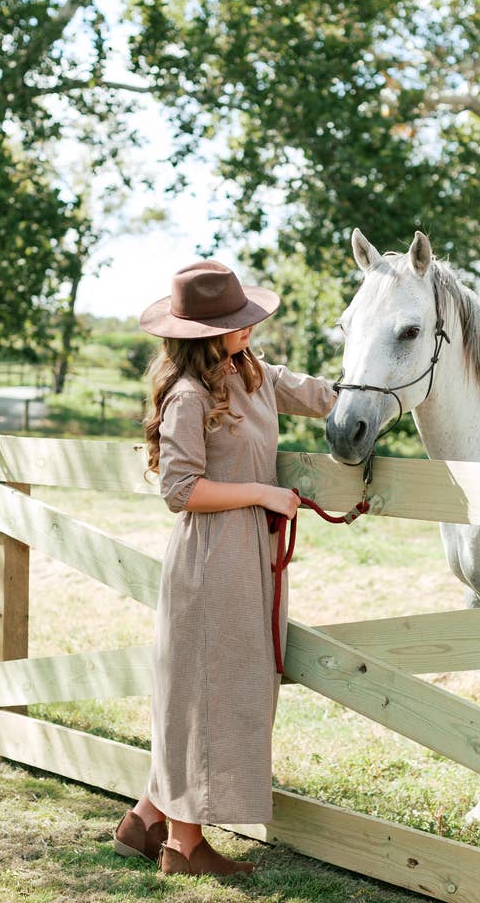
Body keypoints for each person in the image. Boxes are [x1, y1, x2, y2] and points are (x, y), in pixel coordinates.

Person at [112, 259, 337, 877]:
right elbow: (180, 489)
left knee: (228, 684)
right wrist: (263, 493)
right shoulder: (187, 397)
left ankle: (148, 817)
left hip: (247, 556)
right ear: (206, 335)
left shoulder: (251, 373)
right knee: (206, 691)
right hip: (212, 556)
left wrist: (373, 398)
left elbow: (312, 394)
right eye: (237, 324)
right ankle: (184, 847)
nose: (249, 329)